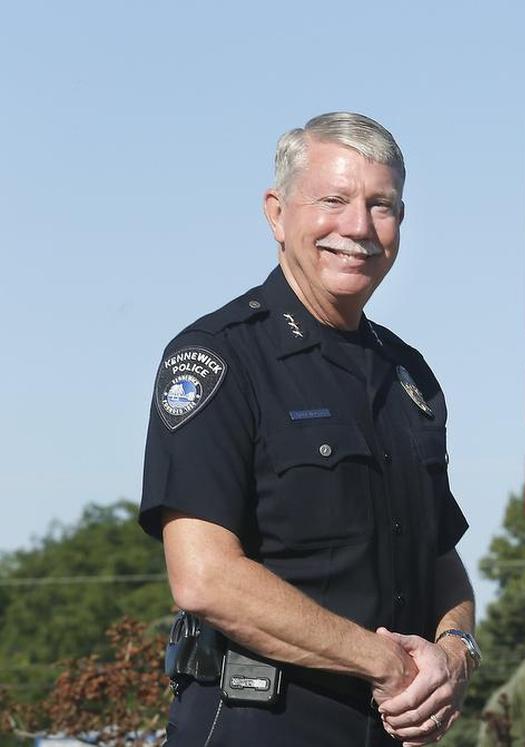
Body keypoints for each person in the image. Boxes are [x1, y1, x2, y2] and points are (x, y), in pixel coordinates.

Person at [139, 112, 479, 746]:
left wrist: (457, 650)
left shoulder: (408, 375)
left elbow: (441, 558)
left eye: (383, 206)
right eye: (334, 200)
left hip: (390, 731)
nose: (358, 227)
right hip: (258, 723)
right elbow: (204, 577)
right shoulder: (219, 357)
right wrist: (383, 663)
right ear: (277, 213)